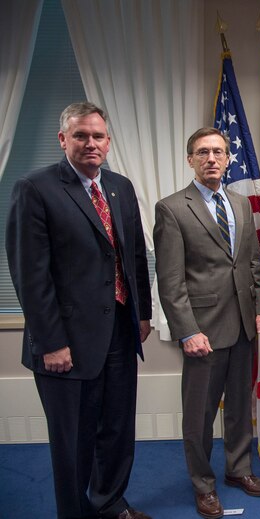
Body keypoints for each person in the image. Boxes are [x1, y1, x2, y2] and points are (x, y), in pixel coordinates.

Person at [5, 102, 152, 519]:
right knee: (73, 442)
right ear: (63, 139)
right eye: (81, 136)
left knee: (117, 432)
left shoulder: (120, 187)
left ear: (108, 141)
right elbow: (31, 277)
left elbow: (135, 257)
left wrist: (141, 314)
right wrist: (52, 342)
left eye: (98, 136)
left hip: (119, 335)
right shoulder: (35, 188)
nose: (91, 143)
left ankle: (109, 504)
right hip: (64, 344)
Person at [154, 128, 260, 519]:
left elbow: (252, 262)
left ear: (227, 159)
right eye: (203, 152)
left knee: (240, 407)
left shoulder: (240, 204)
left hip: (242, 325)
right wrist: (187, 331)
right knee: (200, 415)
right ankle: (203, 485)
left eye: (218, 152)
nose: (211, 158)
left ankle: (239, 470)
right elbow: (170, 281)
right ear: (190, 159)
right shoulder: (172, 208)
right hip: (202, 329)